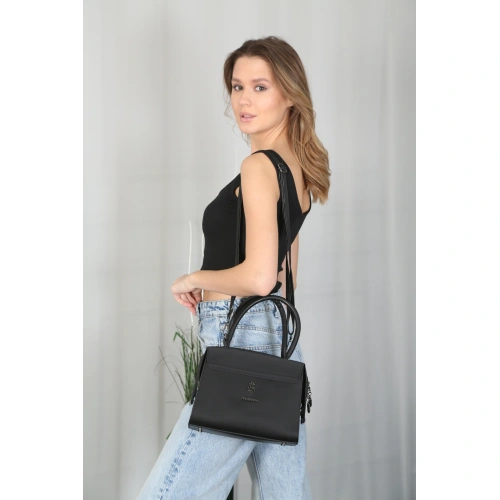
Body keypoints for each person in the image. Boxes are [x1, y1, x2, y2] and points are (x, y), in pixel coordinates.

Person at [137, 35, 330, 500]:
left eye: (260, 87)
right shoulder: (297, 171)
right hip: (279, 348)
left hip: (239, 341)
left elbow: (261, 278)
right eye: (238, 87)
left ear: (290, 93)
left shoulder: (258, 166)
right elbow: (285, 278)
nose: (244, 100)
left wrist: (195, 279)